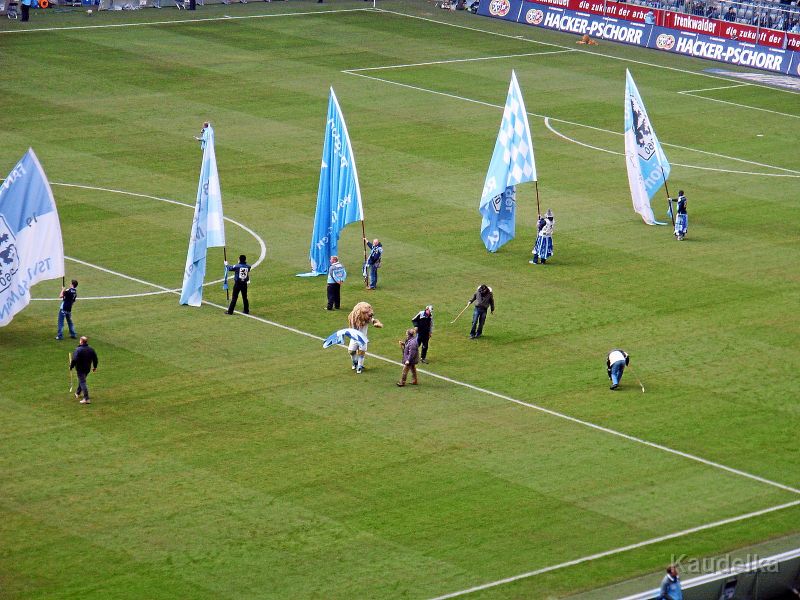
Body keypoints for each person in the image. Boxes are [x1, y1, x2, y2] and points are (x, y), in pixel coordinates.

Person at [347, 302, 383, 374]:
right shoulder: (352, 317)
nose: (369, 314)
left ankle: (360, 366)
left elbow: (374, 320)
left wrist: (377, 324)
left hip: (362, 338)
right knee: (351, 351)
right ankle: (355, 362)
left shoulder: (367, 318)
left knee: (361, 352)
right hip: (354, 337)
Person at [70, 336, 98, 405]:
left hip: (80, 369)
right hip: (87, 368)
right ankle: (78, 393)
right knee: (82, 380)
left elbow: (74, 359)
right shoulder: (91, 349)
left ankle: (86, 398)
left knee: (82, 382)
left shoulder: (78, 350)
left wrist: (71, 366)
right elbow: (95, 359)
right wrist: (95, 367)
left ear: (81, 341)